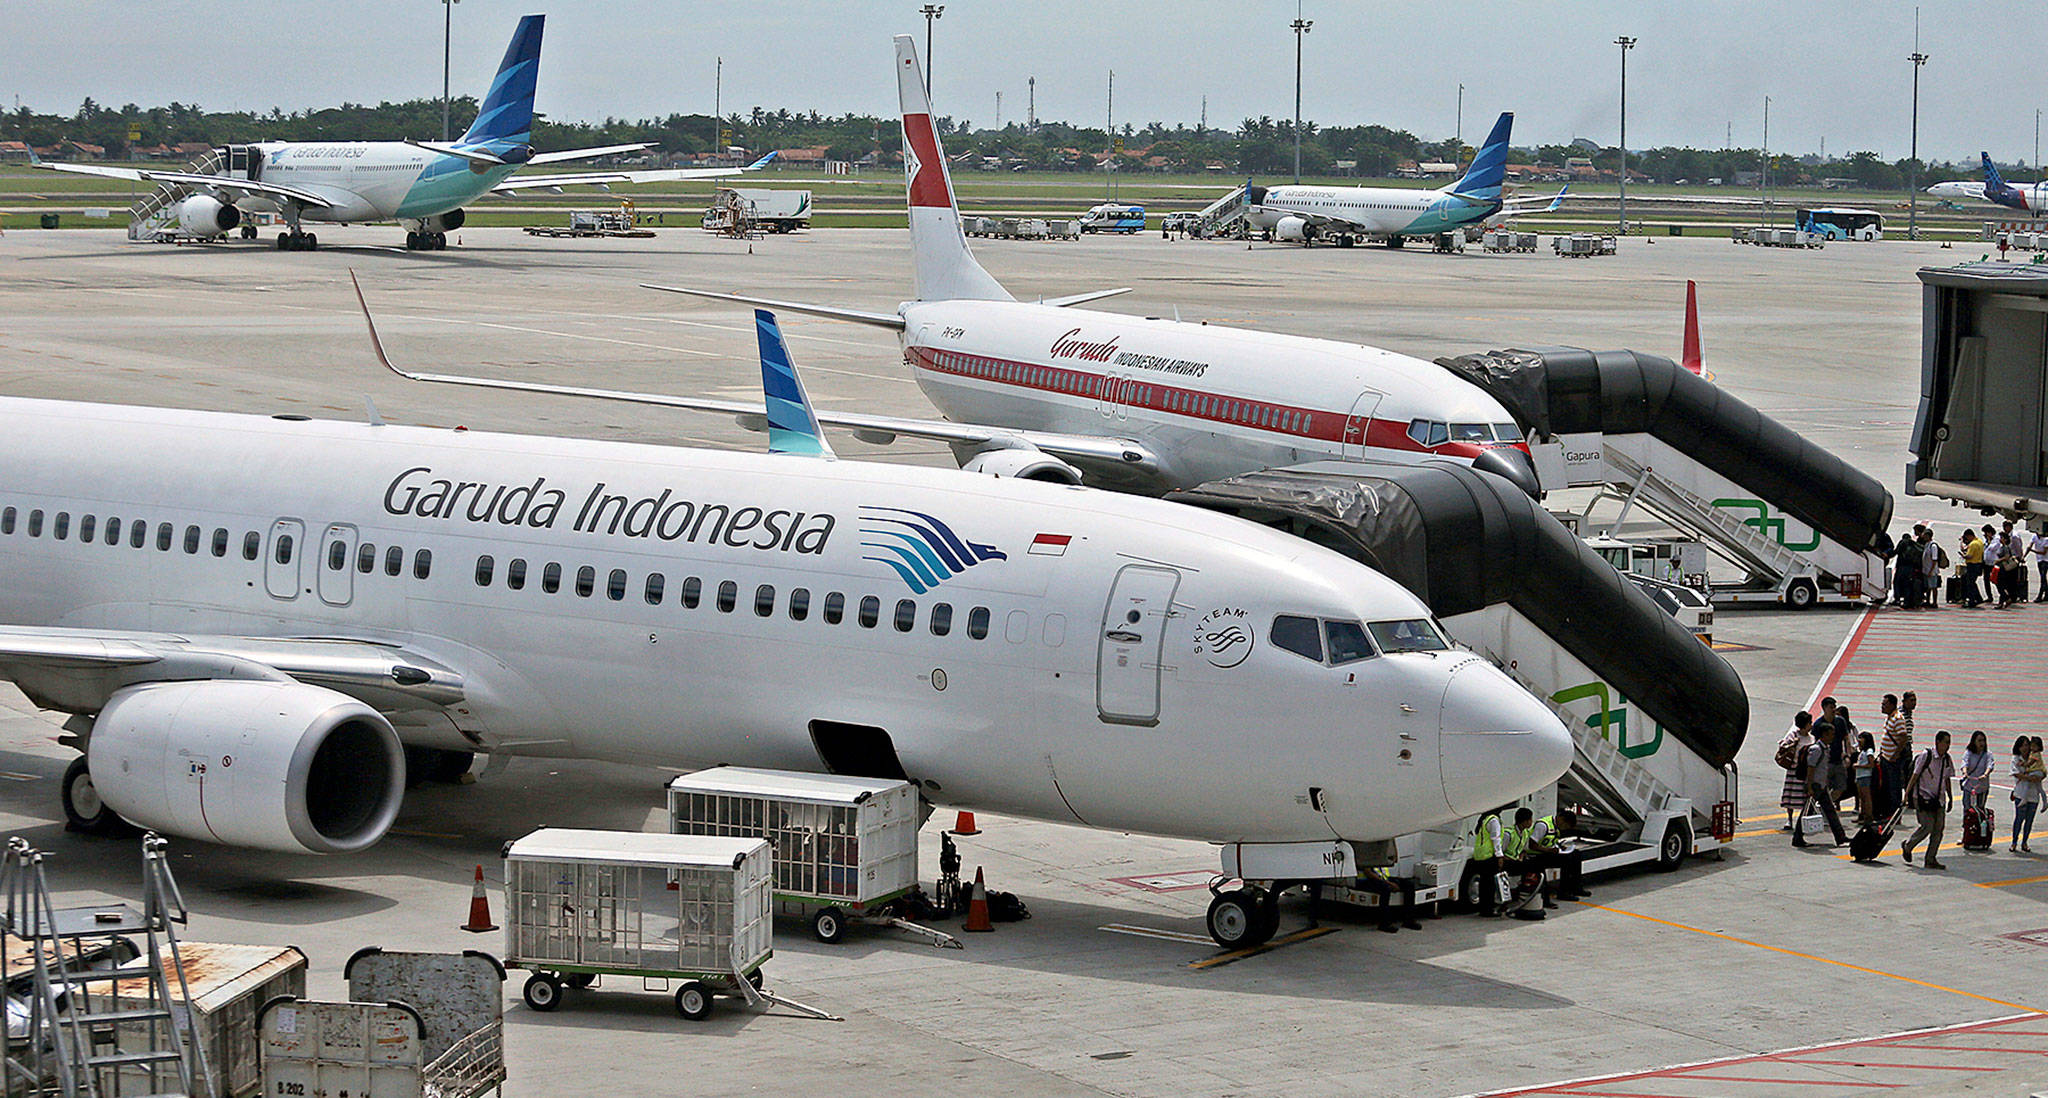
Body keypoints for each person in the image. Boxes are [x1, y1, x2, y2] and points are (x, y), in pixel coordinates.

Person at [1902, 730, 1957, 869]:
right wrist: (1907, 794)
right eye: (1946, 742)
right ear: (1937, 742)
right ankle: (1908, 846)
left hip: (1939, 799)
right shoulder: (1926, 756)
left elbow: (1947, 778)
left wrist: (1950, 797)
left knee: (1938, 829)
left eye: (1949, 742)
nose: (1948, 745)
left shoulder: (1946, 759)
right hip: (1922, 797)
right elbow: (1914, 776)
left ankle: (1930, 858)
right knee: (1927, 826)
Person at [1797, 722, 1850, 848]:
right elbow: (1811, 769)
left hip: (1821, 786)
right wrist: (1809, 787)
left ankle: (1840, 837)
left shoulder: (1826, 748)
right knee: (1807, 811)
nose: (1833, 737)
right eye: (1831, 735)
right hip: (1814, 786)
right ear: (1824, 735)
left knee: (1830, 811)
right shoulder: (1816, 749)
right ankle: (1797, 838)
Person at [1779, 711, 1815, 835]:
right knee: (1790, 796)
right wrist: (1792, 744)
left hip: (1805, 771)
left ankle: (1801, 819)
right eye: (1809, 723)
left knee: (1804, 797)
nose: (1811, 725)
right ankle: (1789, 819)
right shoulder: (1793, 735)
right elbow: (1782, 746)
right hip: (1793, 769)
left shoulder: (1811, 738)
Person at [1877, 694, 1908, 819]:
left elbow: (1903, 737)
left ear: (1892, 705)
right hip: (1886, 757)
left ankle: (1895, 815)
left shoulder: (1898, 718)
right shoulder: (1890, 717)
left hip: (1893, 760)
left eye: (1885, 704)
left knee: (1894, 787)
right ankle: (1887, 812)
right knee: (1886, 787)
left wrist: (1895, 755)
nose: (1882, 706)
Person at [1469, 810, 1507, 916]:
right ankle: (1488, 909)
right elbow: (1496, 838)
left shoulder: (1485, 819)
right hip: (1489, 855)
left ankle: (1484, 908)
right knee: (1489, 884)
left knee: (1484, 883)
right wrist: (1499, 855)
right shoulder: (1494, 820)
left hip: (1481, 854)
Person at [2012, 737, 2043, 853]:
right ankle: (2014, 842)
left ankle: (2024, 842)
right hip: (2020, 794)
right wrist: (2030, 778)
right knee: (2019, 819)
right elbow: (2016, 774)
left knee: (2029, 821)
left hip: (2033, 795)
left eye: (2027, 745)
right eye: (2022, 745)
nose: (2025, 748)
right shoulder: (2016, 759)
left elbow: (2042, 771)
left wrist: (2039, 776)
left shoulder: (2035, 757)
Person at [1961, 730, 1994, 823]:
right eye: (1979, 741)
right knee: (1967, 809)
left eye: (1983, 740)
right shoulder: (1969, 753)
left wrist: (1985, 774)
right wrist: (1965, 772)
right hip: (1969, 787)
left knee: (1980, 809)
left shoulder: (1988, 754)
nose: (1981, 743)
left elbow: (1990, 765)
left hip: (1982, 787)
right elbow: (1965, 763)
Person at [1853, 731, 1878, 827]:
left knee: (1866, 798)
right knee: (1861, 798)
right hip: (1859, 776)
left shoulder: (1869, 751)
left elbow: (1871, 764)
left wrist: (1859, 766)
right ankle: (1862, 815)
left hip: (1865, 776)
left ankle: (1868, 817)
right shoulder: (1862, 751)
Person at [1961, 530, 1986, 607]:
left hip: (1972, 565)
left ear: (1969, 536)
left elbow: (1969, 555)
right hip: (1979, 564)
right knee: (1971, 582)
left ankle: (1972, 600)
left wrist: (1963, 555)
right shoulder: (1980, 541)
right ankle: (1978, 598)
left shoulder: (1973, 544)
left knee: (1970, 584)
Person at [2033, 526, 2048, 603]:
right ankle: (2047, 594)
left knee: (2043, 578)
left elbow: (2044, 552)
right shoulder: (2034, 537)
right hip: (2039, 560)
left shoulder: (2046, 539)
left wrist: (2033, 551)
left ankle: (2040, 595)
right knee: (2043, 578)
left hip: (2045, 560)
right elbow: (2030, 546)